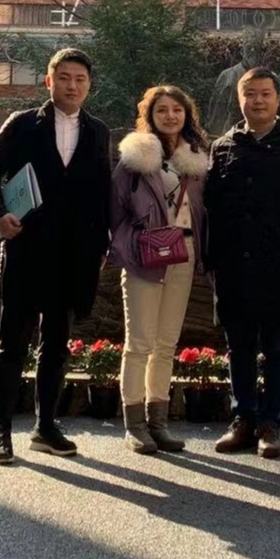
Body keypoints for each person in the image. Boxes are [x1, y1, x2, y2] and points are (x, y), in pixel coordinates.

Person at [0, 47, 111, 465]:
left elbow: (101, 190)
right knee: (12, 343)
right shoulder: (22, 123)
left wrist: (102, 243)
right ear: (49, 81)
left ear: (89, 86)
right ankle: (1, 431)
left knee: (56, 345)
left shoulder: (98, 131)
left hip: (73, 255)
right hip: (27, 247)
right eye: (64, 78)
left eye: (80, 79)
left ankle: (46, 427)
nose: (72, 86)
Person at [203, 66, 280, 460]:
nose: (257, 101)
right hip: (233, 264)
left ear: (277, 99)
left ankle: (270, 423)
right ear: (239, 99)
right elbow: (211, 209)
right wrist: (210, 261)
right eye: (250, 94)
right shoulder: (224, 146)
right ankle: (243, 419)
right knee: (238, 346)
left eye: (265, 94)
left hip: (278, 264)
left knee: (276, 347)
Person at [110, 85, 210, 455]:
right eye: (162, 110)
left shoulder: (197, 159)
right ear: (150, 116)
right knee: (140, 343)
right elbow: (114, 211)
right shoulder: (135, 158)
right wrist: (128, 248)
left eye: (177, 110)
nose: (170, 116)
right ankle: (135, 425)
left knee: (166, 344)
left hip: (184, 251)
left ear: (187, 114)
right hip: (145, 255)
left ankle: (158, 423)